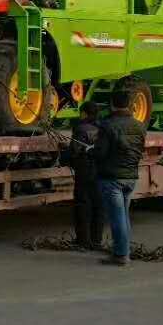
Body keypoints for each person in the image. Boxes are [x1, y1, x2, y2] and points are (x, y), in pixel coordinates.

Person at [92, 88, 147, 267]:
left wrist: (90, 150)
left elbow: (101, 153)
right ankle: (123, 250)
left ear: (112, 104)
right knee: (123, 216)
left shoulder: (107, 126)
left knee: (117, 218)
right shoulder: (140, 126)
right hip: (130, 176)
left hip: (111, 177)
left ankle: (121, 255)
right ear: (130, 105)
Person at [67, 101, 106, 250]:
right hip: (100, 170)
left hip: (84, 170)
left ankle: (83, 241)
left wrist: (65, 154)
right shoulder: (104, 128)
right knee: (98, 205)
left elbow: (75, 151)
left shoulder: (81, 128)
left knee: (82, 204)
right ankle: (96, 241)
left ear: (84, 113)